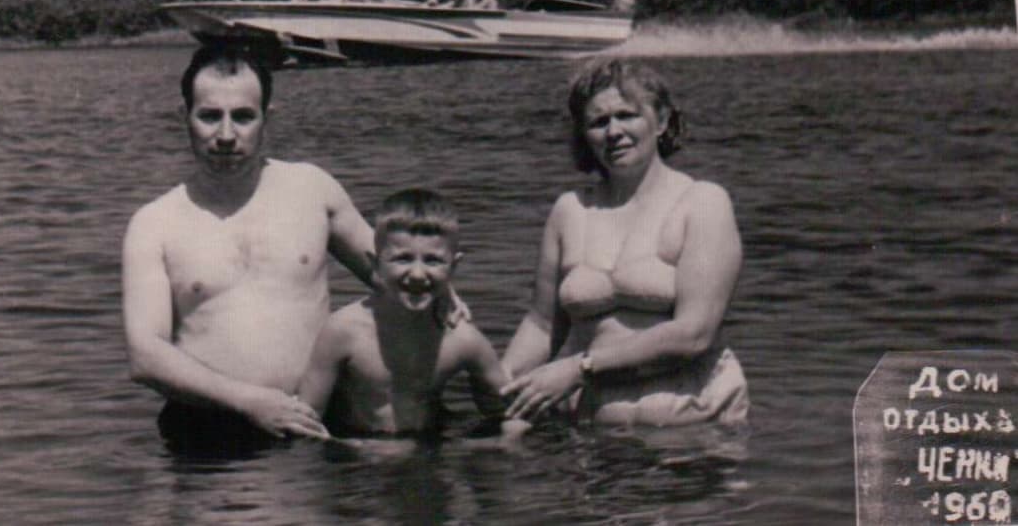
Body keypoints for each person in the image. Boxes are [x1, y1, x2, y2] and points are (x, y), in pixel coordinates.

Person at [121, 44, 382, 451]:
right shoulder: (154, 224)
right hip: (208, 432)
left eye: (243, 116)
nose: (226, 135)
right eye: (209, 116)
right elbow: (145, 355)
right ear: (184, 118)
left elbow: (399, 275)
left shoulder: (312, 189)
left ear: (266, 120)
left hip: (315, 421)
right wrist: (250, 402)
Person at [500, 57, 749, 427]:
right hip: (599, 440)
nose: (613, 131)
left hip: (696, 434)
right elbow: (541, 325)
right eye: (599, 122)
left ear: (661, 121)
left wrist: (579, 368)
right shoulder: (570, 210)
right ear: (585, 136)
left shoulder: (703, 202)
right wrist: (501, 383)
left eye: (626, 115)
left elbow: (694, 333)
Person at [297, 189, 516, 437]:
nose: (417, 274)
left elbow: (509, 414)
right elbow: (308, 420)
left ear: (454, 266)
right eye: (403, 259)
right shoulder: (343, 332)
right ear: (375, 263)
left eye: (433, 261)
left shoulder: (463, 340)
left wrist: (495, 445)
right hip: (357, 459)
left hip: (430, 453)